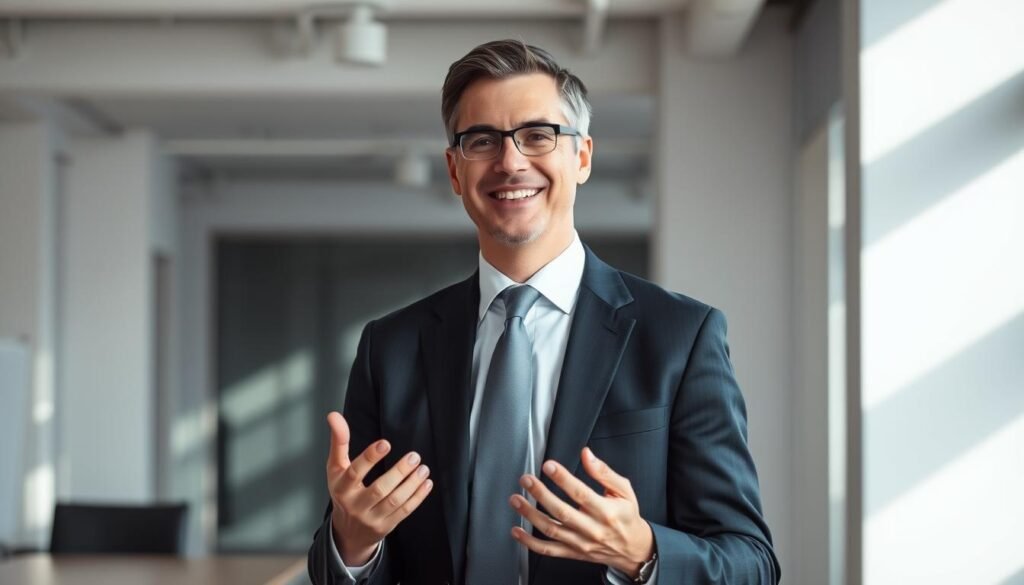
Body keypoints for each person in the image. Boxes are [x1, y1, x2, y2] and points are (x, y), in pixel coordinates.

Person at [308, 39, 780, 585]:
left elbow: (752, 565)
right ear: (455, 170)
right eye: (482, 140)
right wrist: (354, 544)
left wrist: (642, 552)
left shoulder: (680, 336)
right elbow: (337, 565)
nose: (510, 161)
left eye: (538, 135)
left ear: (581, 157)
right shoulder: (390, 348)